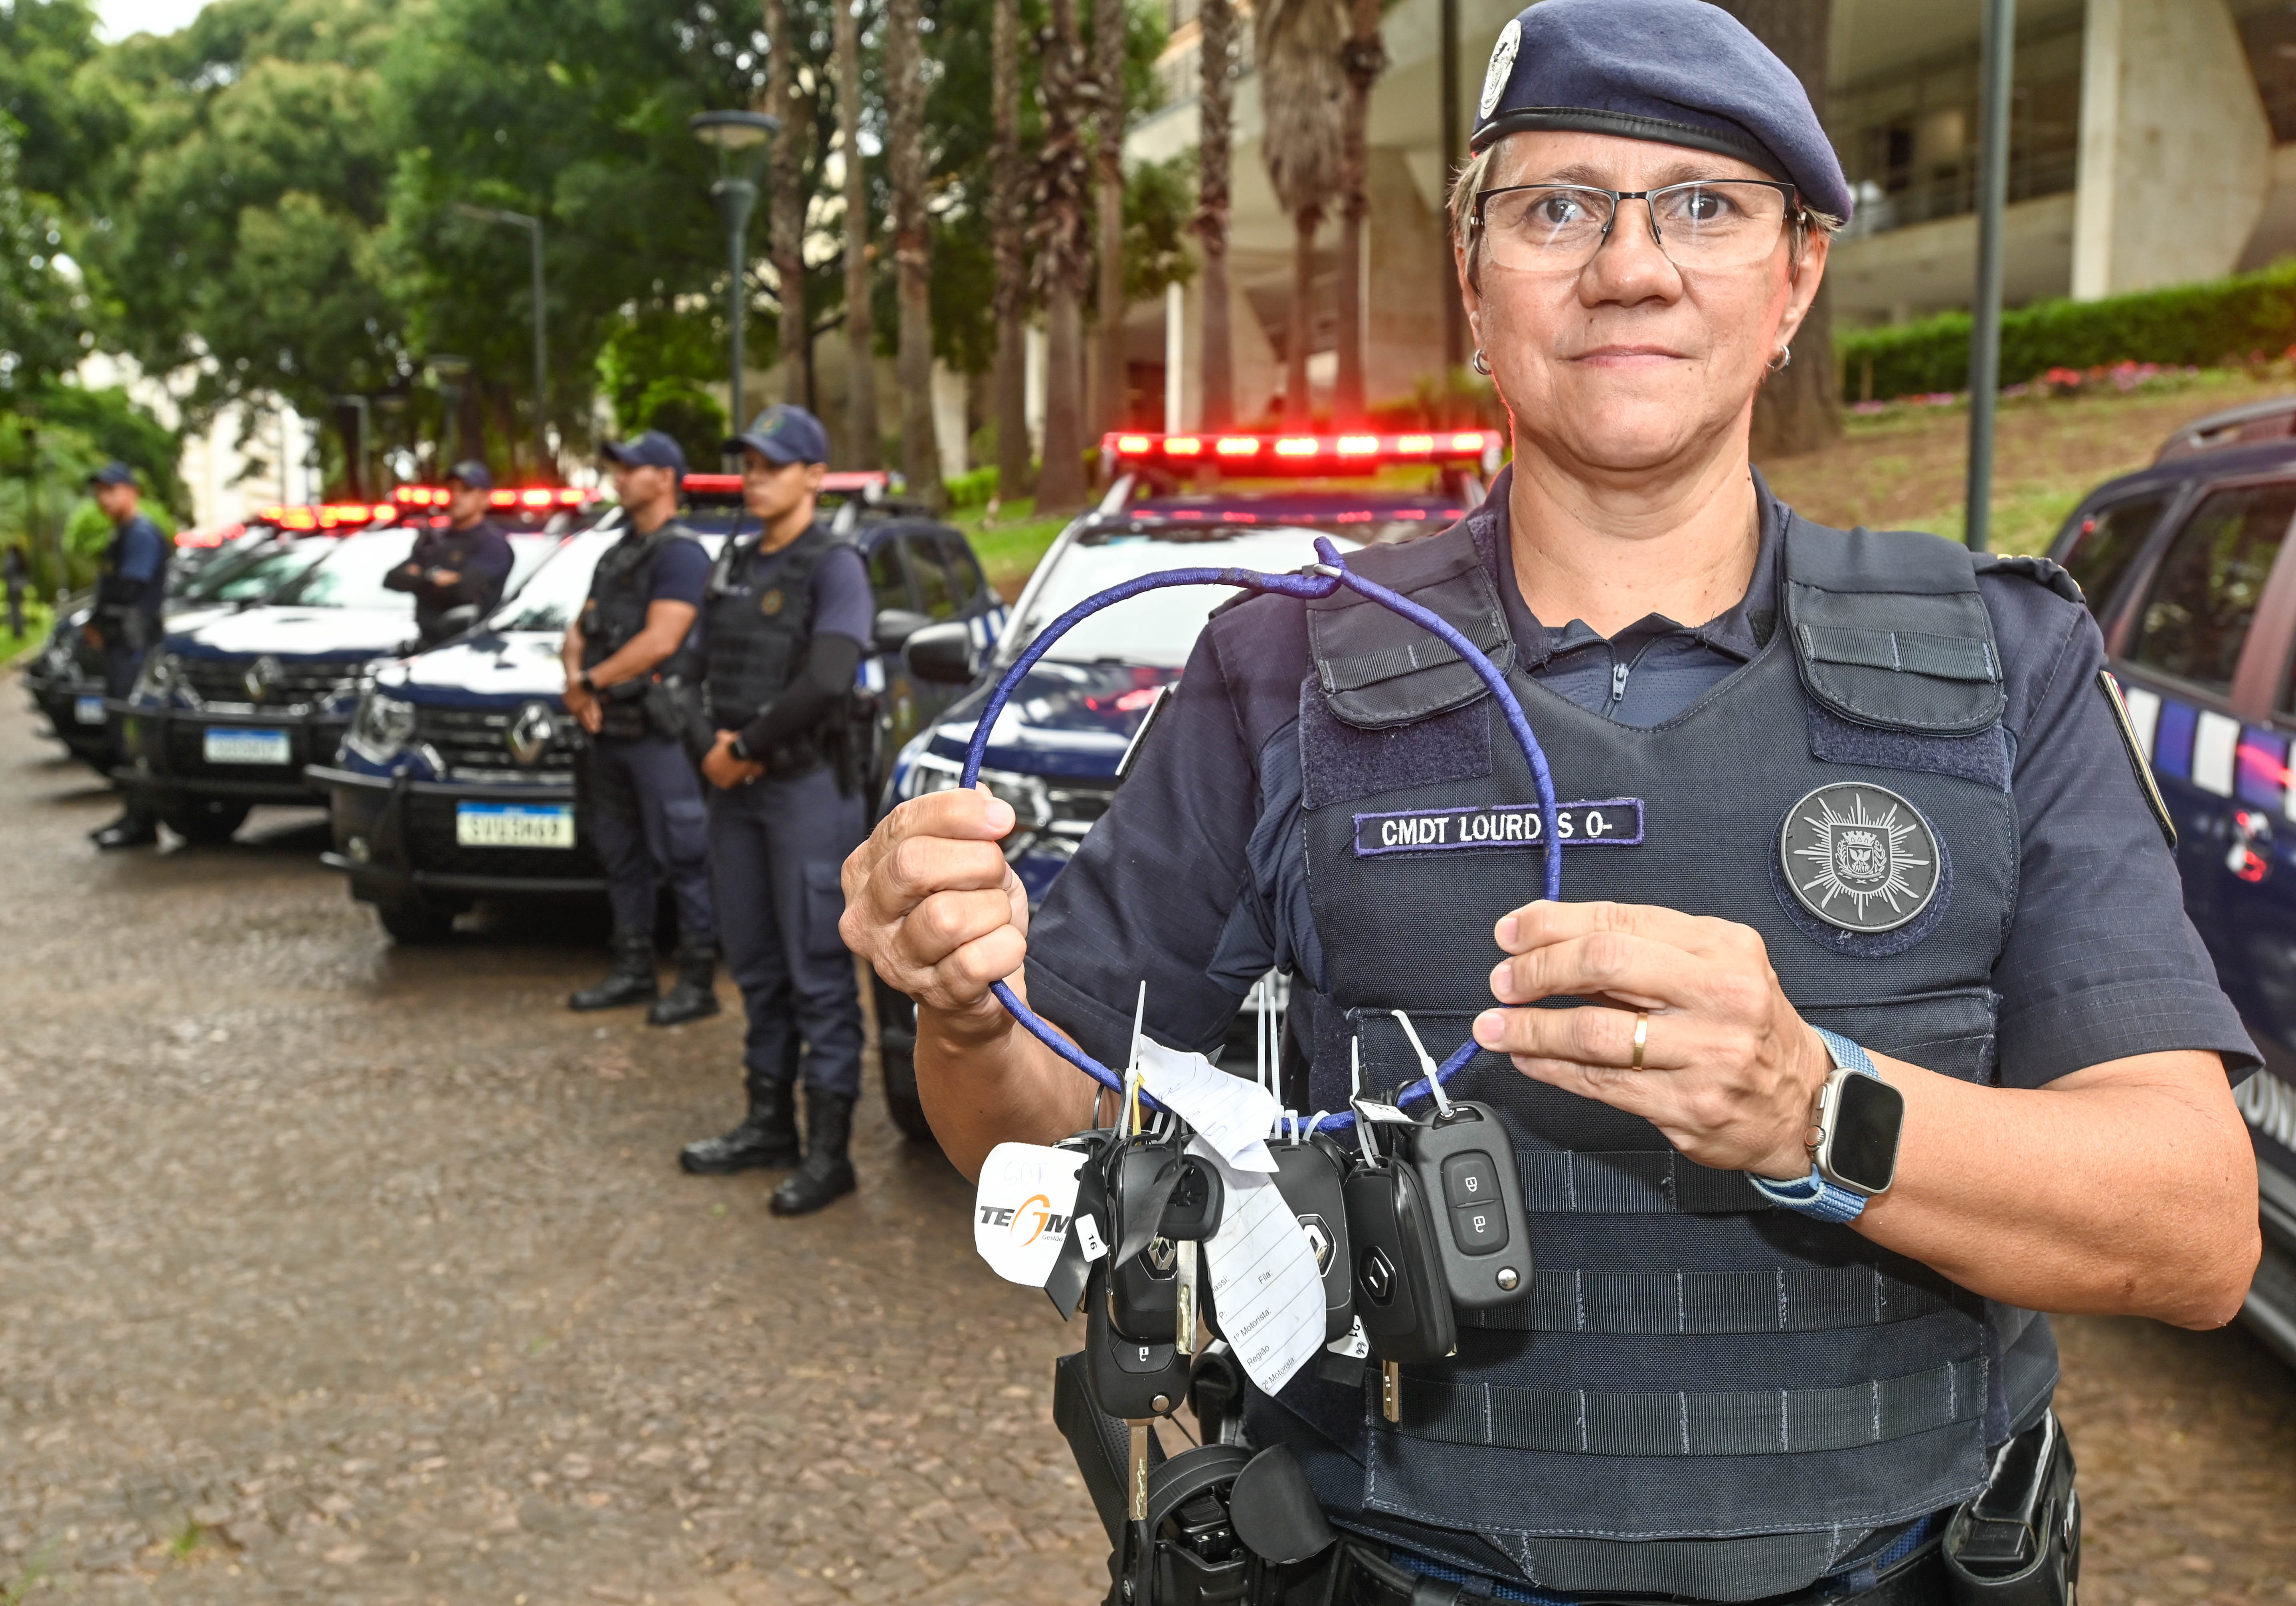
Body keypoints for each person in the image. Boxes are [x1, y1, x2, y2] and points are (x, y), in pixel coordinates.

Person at [840, 2, 2263, 1600]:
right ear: (1474, 279)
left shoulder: (2002, 659)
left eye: (1704, 206)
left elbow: (2197, 1229)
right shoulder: (1277, 671)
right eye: (1557, 207)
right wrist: (963, 1013)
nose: (1630, 267)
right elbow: (1028, 1129)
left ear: (1793, 280)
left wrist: (1819, 1109)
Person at [678, 403, 875, 1218]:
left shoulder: (836, 566)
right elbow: (688, 670)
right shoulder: (731, 561)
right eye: (749, 463)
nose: (755, 476)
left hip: (804, 791)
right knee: (756, 964)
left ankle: (829, 1153)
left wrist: (747, 744)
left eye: (771, 463)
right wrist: (708, 748)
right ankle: (768, 1123)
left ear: (813, 476)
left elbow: (829, 677)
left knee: (817, 973)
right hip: (739, 796)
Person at [562, 429, 722, 1028]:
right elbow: (578, 631)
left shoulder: (680, 553)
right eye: (617, 468)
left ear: (664, 477)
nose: (619, 477)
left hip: (659, 734)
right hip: (610, 731)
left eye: (631, 468)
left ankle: (697, 981)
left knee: (685, 856)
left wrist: (590, 685)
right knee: (620, 855)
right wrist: (579, 683)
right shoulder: (616, 552)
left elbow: (663, 639)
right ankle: (633, 970)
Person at [84, 465, 172, 850]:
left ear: (132, 492)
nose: (105, 499)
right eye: (100, 492)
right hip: (122, 646)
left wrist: (99, 619)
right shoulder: (125, 534)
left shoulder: (141, 534)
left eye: (112, 490)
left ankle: (142, 821)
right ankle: (134, 816)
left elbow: (128, 587)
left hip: (135, 647)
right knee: (121, 734)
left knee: (131, 736)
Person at [384, 459, 514, 647]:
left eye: (466, 490)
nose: (456, 496)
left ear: (485, 498)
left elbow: (464, 591)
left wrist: (420, 578)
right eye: (451, 489)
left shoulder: (493, 544)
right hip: (426, 644)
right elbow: (393, 578)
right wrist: (433, 579)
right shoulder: (434, 539)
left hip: (470, 646)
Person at [1, 544, 29, 638]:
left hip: (13, 588)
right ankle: (19, 631)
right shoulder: (19, 559)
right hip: (19, 587)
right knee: (18, 609)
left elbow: (6, 573)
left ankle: (18, 632)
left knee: (16, 610)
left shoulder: (10, 559)